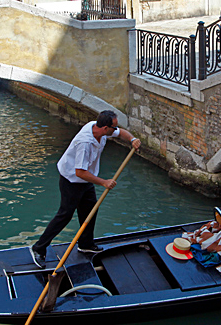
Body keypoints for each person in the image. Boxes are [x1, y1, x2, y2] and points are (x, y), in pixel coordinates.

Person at [31, 110, 141, 267]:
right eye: (113, 127)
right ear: (105, 128)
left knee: (90, 210)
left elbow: (121, 133)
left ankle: (86, 245)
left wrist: (133, 139)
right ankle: (38, 248)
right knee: (65, 215)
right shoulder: (85, 143)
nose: (115, 130)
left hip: (86, 178)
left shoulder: (98, 129)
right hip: (72, 180)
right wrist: (103, 182)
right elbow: (79, 172)